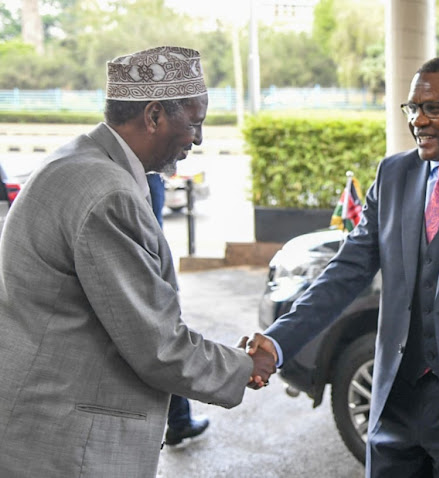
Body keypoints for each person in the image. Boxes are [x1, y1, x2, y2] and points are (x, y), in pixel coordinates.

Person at [0, 46, 275, 477]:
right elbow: (157, 344)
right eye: (195, 122)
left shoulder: (77, 159)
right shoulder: (109, 194)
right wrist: (244, 366)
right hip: (65, 446)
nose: (198, 139)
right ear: (153, 116)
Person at [249, 56, 439, 477]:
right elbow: (346, 271)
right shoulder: (394, 174)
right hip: (396, 399)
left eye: (433, 108)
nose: (418, 120)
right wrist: (277, 341)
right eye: (412, 108)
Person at [147, 172, 211, 445]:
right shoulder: (145, 177)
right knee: (166, 344)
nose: (196, 139)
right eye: (193, 125)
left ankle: (179, 421)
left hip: (155, 281)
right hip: (152, 285)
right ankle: (180, 421)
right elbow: (152, 241)